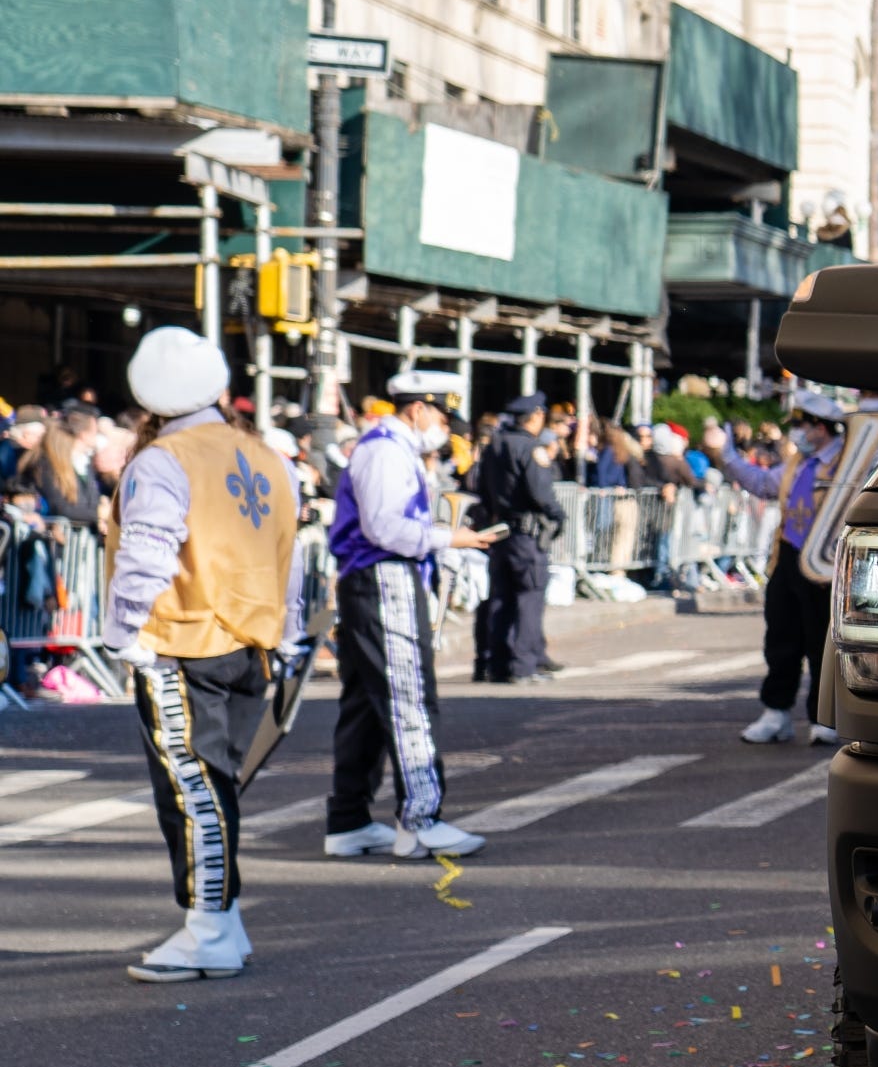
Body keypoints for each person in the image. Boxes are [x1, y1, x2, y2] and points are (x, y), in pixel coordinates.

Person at [97, 329, 303, 982]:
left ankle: (209, 928)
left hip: (183, 639)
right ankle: (224, 918)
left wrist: (122, 631)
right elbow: (288, 554)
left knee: (192, 790)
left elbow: (148, 551)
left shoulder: (164, 460)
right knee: (216, 787)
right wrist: (289, 633)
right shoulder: (266, 455)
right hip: (252, 640)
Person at [327, 369, 504, 859]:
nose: (447, 428)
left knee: (366, 703)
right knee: (409, 697)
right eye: (443, 416)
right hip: (384, 576)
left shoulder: (390, 447)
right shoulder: (385, 449)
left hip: (377, 578)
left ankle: (349, 820)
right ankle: (420, 819)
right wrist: (453, 538)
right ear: (418, 408)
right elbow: (386, 527)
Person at [706, 392, 858, 746]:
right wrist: (727, 456)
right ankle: (776, 713)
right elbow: (762, 483)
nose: (797, 433)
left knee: (823, 643)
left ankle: (826, 717)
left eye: (802, 425)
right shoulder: (797, 463)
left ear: (820, 427)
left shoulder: (848, 463)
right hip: (789, 556)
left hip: (826, 563)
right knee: (781, 637)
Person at [470, 392, 562, 683]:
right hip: (527, 533)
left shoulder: (494, 445)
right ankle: (524, 666)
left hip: (501, 531)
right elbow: (540, 493)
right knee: (529, 598)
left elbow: (481, 487)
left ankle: (497, 664)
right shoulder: (531, 448)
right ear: (535, 416)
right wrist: (558, 514)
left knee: (501, 597)